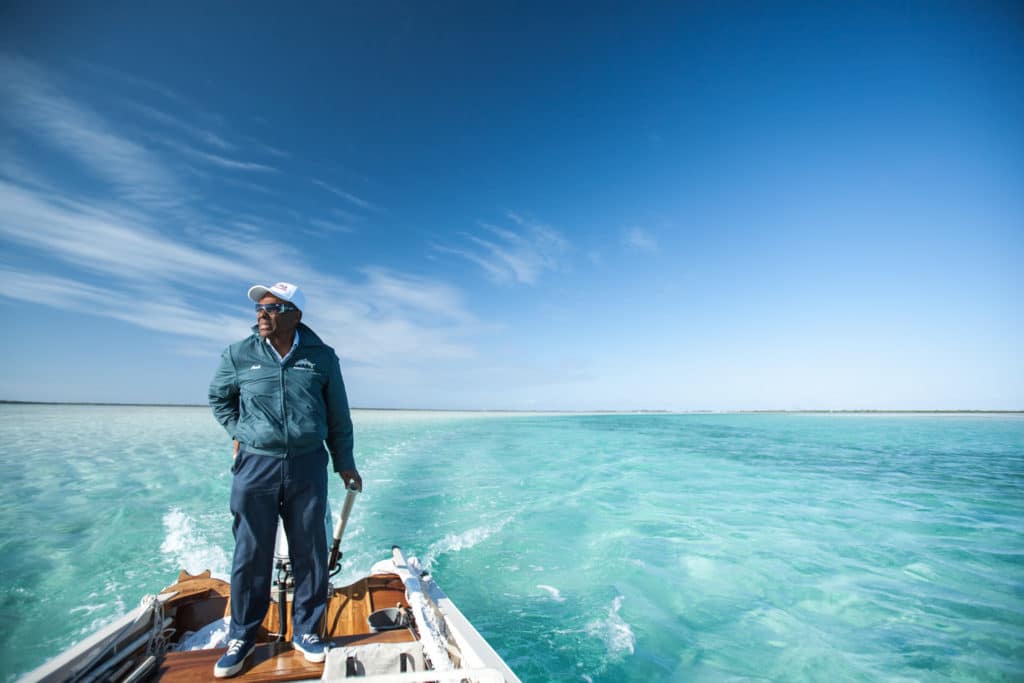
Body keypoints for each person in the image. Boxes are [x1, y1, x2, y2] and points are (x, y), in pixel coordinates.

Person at [208, 281, 361, 678]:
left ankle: (307, 632)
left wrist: (344, 462)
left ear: (295, 315)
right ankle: (241, 636)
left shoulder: (322, 358)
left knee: (310, 552)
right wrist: (238, 432)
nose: (262, 313)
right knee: (249, 553)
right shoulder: (238, 354)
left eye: (273, 307)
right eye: (259, 307)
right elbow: (218, 398)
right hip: (255, 466)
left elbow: (338, 415)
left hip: (308, 464)